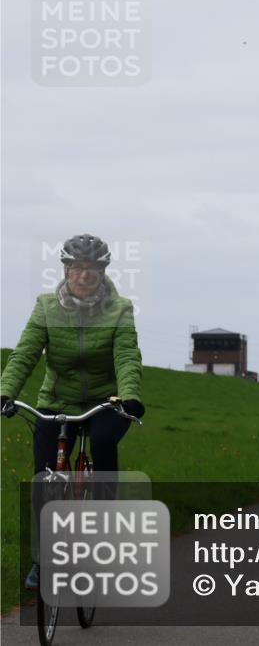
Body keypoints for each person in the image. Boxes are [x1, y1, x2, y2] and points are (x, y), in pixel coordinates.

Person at [0, 234, 144, 589]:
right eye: (76, 267)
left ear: (103, 270)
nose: (84, 275)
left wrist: (129, 396)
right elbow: (26, 353)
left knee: (104, 441)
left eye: (92, 268)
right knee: (45, 479)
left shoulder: (120, 308)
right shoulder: (46, 306)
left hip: (105, 402)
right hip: (56, 401)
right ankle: (42, 560)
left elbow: (126, 356)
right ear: (65, 269)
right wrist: (5, 392)